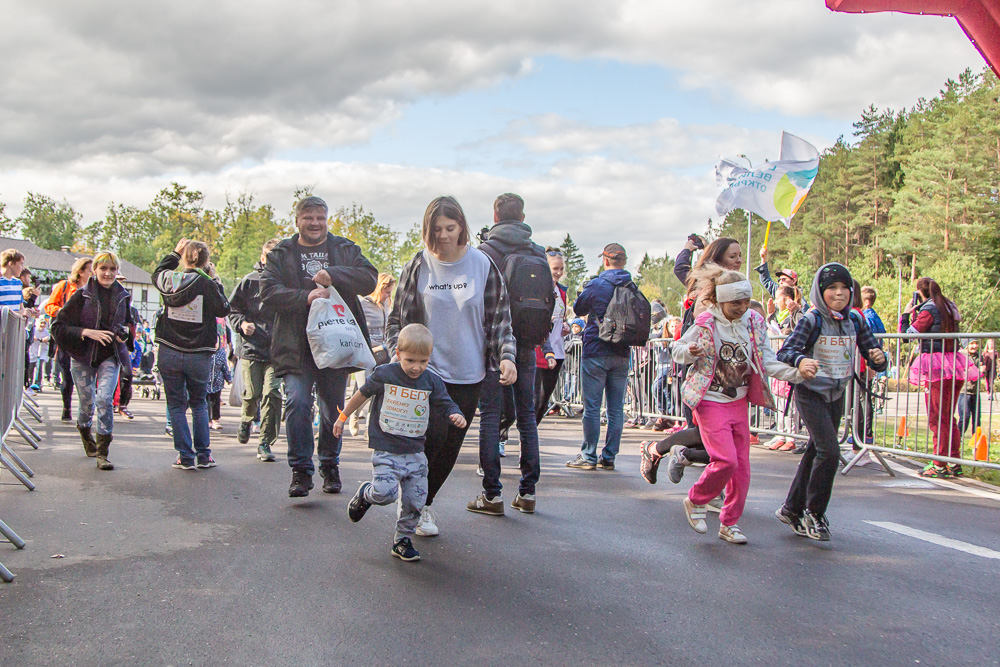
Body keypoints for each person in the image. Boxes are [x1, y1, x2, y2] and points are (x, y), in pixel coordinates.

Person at [642, 266, 805, 544]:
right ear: (719, 301)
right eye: (735, 303)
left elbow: (766, 360)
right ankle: (696, 500)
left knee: (741, 469)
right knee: (725, 459)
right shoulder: (706, 322)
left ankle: (729, 523)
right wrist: (690, 352)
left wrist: (798, 373)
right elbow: (677, 348)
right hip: (710, 400)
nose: (741, 308)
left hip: (738, 401)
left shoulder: (754, 321)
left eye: (745, 301)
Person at [385, 195, 516, 536]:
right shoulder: (419, 265)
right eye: (436, 229)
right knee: (431, 439)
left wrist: (506, 356)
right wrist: (394, 356)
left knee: (449, 448)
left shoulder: (482, 264)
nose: (443, 235)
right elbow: (396, 318)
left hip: (469, 372)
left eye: (450, 228)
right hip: (426, 373)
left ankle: (422, 503)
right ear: (427, 230)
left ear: (462, 227)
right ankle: (411, 503)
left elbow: (500, 319)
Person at [260, 196, 378, 497]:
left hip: (335, 343)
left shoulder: (344, 249)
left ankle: (329, 464)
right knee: (297, 403)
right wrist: (305, 297)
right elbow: (268, 291)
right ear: (297, 220)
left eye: (320, 218)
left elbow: (369, 279)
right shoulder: (281, 253)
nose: (314, 223)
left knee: (332, 409)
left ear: (327, 220)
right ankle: (301, 470)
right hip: (295, 346)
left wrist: (335, 274)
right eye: (308, 217)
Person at [775, 263, 887, 541]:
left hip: (837, 394)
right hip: (810, 392)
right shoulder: (811, 320)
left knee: (817, 451)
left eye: (844, 288)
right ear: (819, 292)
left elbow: (872, 349)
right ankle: (814, 512)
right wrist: (801, 360)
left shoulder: (856, 321)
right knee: (830, 451)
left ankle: (791, 509)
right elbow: (786, 351)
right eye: (831, 289)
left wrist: (880, 359)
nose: (839, 294)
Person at [338, 324, 467, 562]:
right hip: (387, 448)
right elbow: (362, 394)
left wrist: (455, 413)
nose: (416, 367)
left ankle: (402, 540)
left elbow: (446, 402)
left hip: (416, 452)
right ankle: (366, 494)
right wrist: (343, 417)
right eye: (410, 360)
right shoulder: (385, 374)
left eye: (423, 361)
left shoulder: (431, 381)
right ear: (397, 353)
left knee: (415, 501)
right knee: (385, 494)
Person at [472, 193, 551, 515]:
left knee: (491, 416)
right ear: (522, 216)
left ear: (495, 216)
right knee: (527, 416)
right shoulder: (537, 252)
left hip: (492, 341)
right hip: (526, 342)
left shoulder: (486, 252)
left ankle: (492, 495)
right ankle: (528, 492)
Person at [51, 252, 135, 470]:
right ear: (95, 270)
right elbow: (58, 328)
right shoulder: (81, 296)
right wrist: (87, 332)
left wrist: (123, 333)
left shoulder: (123, 296)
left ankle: (103, 453)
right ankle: (84, 430)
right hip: (82, 356)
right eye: (103, 269)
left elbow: (128, 326)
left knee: (105, 400)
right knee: (87, 403)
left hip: (110, 355)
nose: (107, 273)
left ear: (117, 271)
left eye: (112, 269)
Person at [153, 239, 231, 471]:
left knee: (176, 405)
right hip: (199, 353)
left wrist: (173, 254)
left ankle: (185, 456)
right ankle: (204, 456)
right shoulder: (207, 284)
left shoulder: (170, 279)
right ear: (207, 262)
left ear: (184, 258)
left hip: (169, 349)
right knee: (199, 404)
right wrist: (215, 281)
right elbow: (224, 309)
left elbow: (157, 273)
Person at [566, 242, 638, 471]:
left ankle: (588, 456)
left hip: (596, 350)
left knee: (592, 407)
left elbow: (578, 309)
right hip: (622, 352)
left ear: (605, 260)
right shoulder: (632, 286)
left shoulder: (597, 284)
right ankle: (609, 456)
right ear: (624, 261)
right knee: (616, 409)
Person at [901, 277, 978, 478]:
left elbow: (908, 335)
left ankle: (939, 463)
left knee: (937, 417)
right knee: (947, 417)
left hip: (936, 367)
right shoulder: (948, 306)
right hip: (954, 364)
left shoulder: (928, 310)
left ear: (920, 293)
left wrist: (906, 314)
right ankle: (953, 461)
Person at [228, 239, 281, 461]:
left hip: (277, 349)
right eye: (268, 256)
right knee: (252, 394)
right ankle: (246, 420)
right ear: (262, 258)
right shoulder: (248, 282)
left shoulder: (286, 282)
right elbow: (230, 309)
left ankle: (265, 443)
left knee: (272, 393)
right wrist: (241, 324)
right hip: (251, 347)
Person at [45, 257, 94, 421]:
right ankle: (67, 407)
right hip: (66, 336)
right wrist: (64, 312)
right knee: (67, 374)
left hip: (86, 336)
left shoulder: (94, 289)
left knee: (86, 373)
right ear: (81, 272)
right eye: (90, 270)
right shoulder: (64, 286)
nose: (93, 273)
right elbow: (49, 306)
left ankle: (85, 408)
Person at [349, 272, 397, 435]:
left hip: (383, 352)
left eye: (390, 291)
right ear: (379, 289)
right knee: (365, 388)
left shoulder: (387, 305)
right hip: (366, 352)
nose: (389, 295)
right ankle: (353, 414)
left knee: (379, 390)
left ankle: (371, 428)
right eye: (387, 291)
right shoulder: (363, 303)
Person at [534, 247, 569, 425]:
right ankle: (510, 435)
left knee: (543, 402)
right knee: (534, 400)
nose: (559, 272)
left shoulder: (562, 291)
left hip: (558, 351)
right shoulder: (537, 289)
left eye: (561, 269)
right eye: (555, 268)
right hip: (540, 351)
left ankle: (530, 437)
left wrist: (565, 326)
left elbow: (563, 317)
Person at [207, 320, 232, 430]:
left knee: (215, 402)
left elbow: (225, 367)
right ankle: (207, 420)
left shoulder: (221, 353)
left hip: (217, 382)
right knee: (205, 402)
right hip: (205, 381)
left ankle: (215, 420)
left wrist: (229, 379)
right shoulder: (205, 352)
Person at [957, 339, 984, 436]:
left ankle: (976, 442)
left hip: (975, 392)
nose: (975, 346)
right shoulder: (961, 355)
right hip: (964, 392)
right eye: (972, 343)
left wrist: (982, 371)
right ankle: (957, 439)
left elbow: (981, 373)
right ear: (966, 345)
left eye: (976, 343)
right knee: (965, 417)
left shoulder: (979, 356)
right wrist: (977, 371)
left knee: (977, 418)